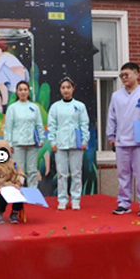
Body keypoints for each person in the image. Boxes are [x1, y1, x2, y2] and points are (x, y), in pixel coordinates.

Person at [107, 62, 140, 217]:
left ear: (136, 74)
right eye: (121, 75)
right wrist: (111, 136)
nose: (124, 78)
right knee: (123, 175)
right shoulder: (116, 96)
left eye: (127, 74)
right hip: (121, 141)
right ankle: (124, 203)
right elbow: (111, 116)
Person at [48, 77, 90, 211]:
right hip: (60, 144)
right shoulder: (55, 107)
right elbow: (51, 126)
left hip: (76, 144)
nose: (66, 90)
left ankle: (76, 199)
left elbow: (84, 124)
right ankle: (62, 200)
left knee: (76, 173)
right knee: (62, 174)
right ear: (60, 90)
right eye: (63, 88)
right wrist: (52, 141)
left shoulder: (80, 106)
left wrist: (84, 140)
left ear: (73, 88)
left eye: (68, 87)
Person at [4, 81, 45, 188]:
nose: (23, 92)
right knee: (18, 170)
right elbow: (8, 128)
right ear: (17, 92)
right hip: (17, 144)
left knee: (32, 170)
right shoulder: (12, 108)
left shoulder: (34, 107)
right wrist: (9, 144)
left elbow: (39, 125)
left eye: (25, 89)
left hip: (32, 143)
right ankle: (19, 192)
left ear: (28, 91)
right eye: (20, 90)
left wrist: (41, 139)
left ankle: (33, 192)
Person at [0, 140, 25, 224]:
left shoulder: (13, 163)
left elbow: (20, 173)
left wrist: (18, 184)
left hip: (12, 186)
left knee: (20, 195)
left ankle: (14, 212)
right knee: (2, 197)